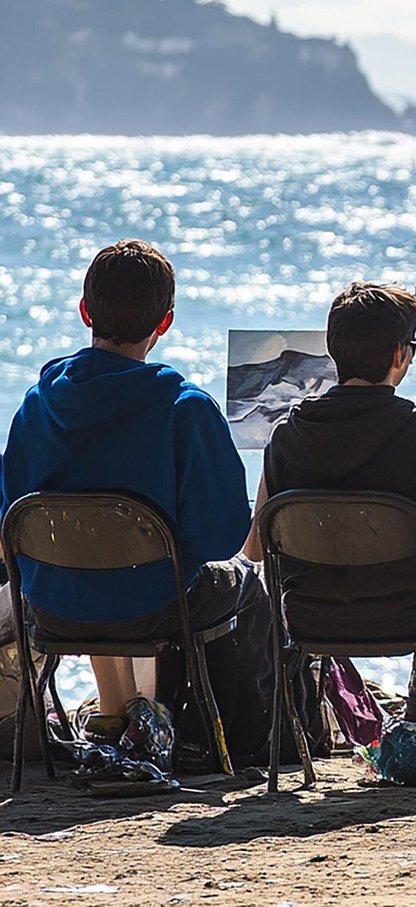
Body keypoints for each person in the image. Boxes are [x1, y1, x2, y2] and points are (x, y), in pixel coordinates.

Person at [0, 239, 273, 765]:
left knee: (105, 569)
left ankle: (116, 716)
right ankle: (216, 741)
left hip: (55, 606)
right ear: (165, 322)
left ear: (85, 312)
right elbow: (224, 536)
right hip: (156, 608)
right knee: (244, 584)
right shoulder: (185, 409)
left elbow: (11, 518)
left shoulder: (36, 407)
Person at [250, 282, 416, 726]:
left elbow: (266, 545)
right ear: (400, 354)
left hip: (307, 615)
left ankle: (301, 722)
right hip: (409, 613)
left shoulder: (286, 438)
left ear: (332, 349)